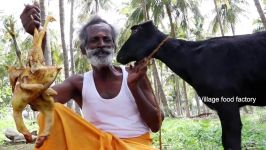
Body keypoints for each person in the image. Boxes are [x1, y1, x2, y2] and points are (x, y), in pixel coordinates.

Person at [20, 4, 164, 150]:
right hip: (95, 145)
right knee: (52, 111)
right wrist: (39, 39)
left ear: (114, 45)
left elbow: (156, 125)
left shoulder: (134, 74)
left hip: (136, 146)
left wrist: (134, 87)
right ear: (84, 49)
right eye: (95, 40)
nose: (101, 44)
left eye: (107, 40)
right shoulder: (79, 83)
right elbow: (36, 102)